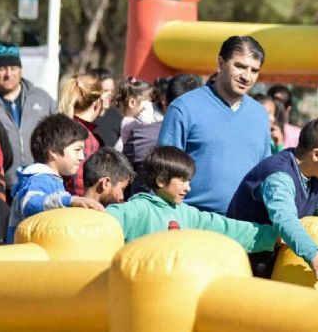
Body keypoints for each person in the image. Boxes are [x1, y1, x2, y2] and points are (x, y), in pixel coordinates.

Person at [227, 117, 318, 280]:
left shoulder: (317, 175)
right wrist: (314, 255)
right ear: (316, 154)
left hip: (273, 265)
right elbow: (285, 221)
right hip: (244, 266)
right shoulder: (279, 177)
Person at [158, 36, 271, 214]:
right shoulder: (184, 108)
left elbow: (265, 174)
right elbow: (163, 172)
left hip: (248, 228)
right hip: (194, 224)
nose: (247, 77)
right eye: (240, 66)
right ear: (220, 63)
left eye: (254, 70)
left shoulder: (260, 115)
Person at [107, 146, 278, 253]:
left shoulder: (188, 214)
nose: (188, 187)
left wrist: (271, 236)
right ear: (160, 180)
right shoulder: (138, 209)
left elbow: (227, 229)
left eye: (189, 181)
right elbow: (104, 221)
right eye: (182, 181)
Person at [7, 114, 105, 243]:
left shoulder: (52, 180)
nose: (82, 157)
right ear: (53, 151)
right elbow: (29, 204)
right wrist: (70, 201)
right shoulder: (39, 178)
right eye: (77, 150)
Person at [0, 41, 57, 188]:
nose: (9, 74)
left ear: (20, 69)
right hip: (0, 185)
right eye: (2, 69)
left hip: (39, 182)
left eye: (13, 68)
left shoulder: (41, 98)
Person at [58, 74, 104, 196]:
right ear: (97, 103)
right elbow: (80, 183)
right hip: (76, 207)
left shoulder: (59, 128)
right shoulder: (86, 138)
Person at [113, 77, 162, 152]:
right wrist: (148, 108)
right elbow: (145, 120)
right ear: (132, 103)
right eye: (148, 103)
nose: (151, 107)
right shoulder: (127, 122)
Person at [89, 68, 123, 148]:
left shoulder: (117, 118)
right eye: (105, 91)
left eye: (111, 91)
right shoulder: (80, 119)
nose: (110, 95)